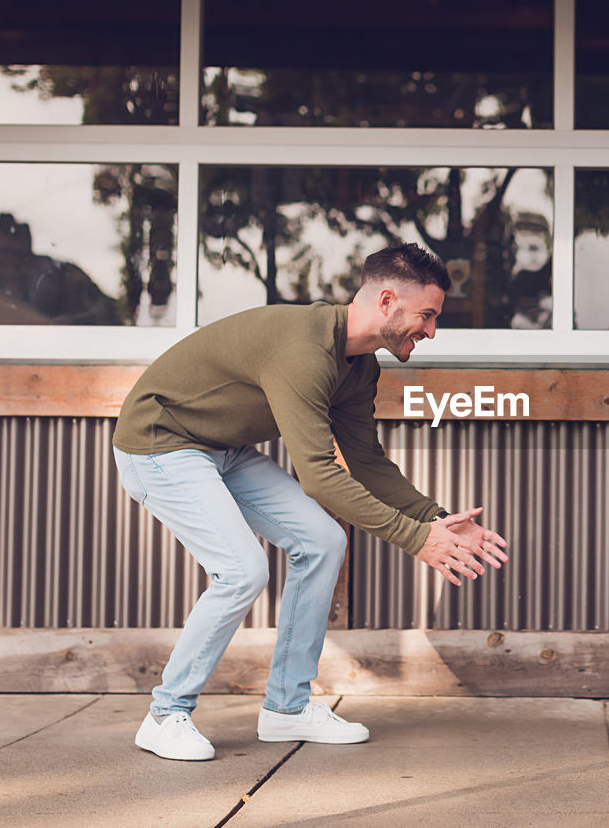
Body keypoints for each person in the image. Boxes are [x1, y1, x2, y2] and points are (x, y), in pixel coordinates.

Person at [112, 243, 510, 761]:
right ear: (387, 300)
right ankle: (165, 715)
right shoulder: (303, 351)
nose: (431, 331)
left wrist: (433, 520)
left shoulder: (359, 366)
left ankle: (286, 708)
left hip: (222, 450)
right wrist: (416, 540)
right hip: (159, 442)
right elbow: (320, 477)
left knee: (322, 540)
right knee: (242, 571)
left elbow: (365, 463)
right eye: (427, 315)